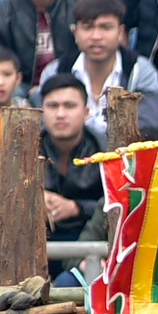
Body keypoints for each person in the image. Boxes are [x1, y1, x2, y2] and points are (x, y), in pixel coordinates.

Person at [46, 0, 158, 131]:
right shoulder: (55, 71)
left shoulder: (140, 71)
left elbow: (147, 129)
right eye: (88, 27)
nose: (96, 36)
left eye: (105, 27)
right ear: (75, 33)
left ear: (120, 33)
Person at [36, 71, 103, 245]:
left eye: (69, 106)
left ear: (86, 112)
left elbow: (117, 205)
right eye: (52, 106)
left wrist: (77, 208)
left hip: (87, 236)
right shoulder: (25, 150)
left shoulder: (104, 149)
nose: (60, 114)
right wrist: (32, 198)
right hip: (36, 238)